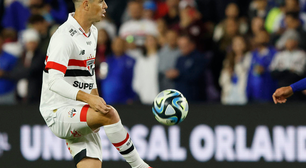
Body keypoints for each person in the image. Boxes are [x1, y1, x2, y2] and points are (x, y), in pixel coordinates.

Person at [39, 1, 152, 168]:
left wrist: (95, 102)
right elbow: (54, 81)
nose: (105, 5)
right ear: (86, 5)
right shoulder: (63, 37)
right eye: (100, 1)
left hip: (80, 110)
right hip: (58, 111)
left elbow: (88, 75)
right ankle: (139, 165)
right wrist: (90, 101)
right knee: (109, 114)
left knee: (91, 166)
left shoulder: (92, 32)